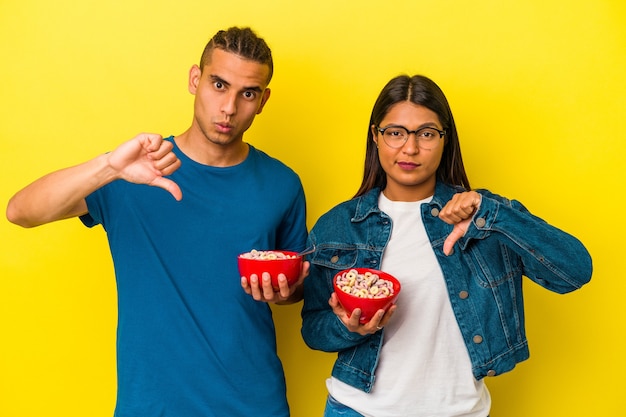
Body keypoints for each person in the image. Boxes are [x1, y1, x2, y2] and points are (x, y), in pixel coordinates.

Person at [7, 27, 308, 417]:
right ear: (195, 80)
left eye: (247, 93)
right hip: (152, 404)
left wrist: (285, 290)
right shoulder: (134, 171)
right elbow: (21, 211)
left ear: (263, 100)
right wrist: (109, 167)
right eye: (219, 84)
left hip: (253, 402)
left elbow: (295, 286)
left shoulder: (282, 184)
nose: (229, 107)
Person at [300, 74, 592, 417]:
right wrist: (347, 328)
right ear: (376, 137)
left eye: (426, 134)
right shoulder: (339, 226)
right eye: (395, 133)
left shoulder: (481, 216)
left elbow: (574, 271)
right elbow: (313, 330)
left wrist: (491, 215)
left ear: (444, 140)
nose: (410, 148)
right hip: (356, 409)